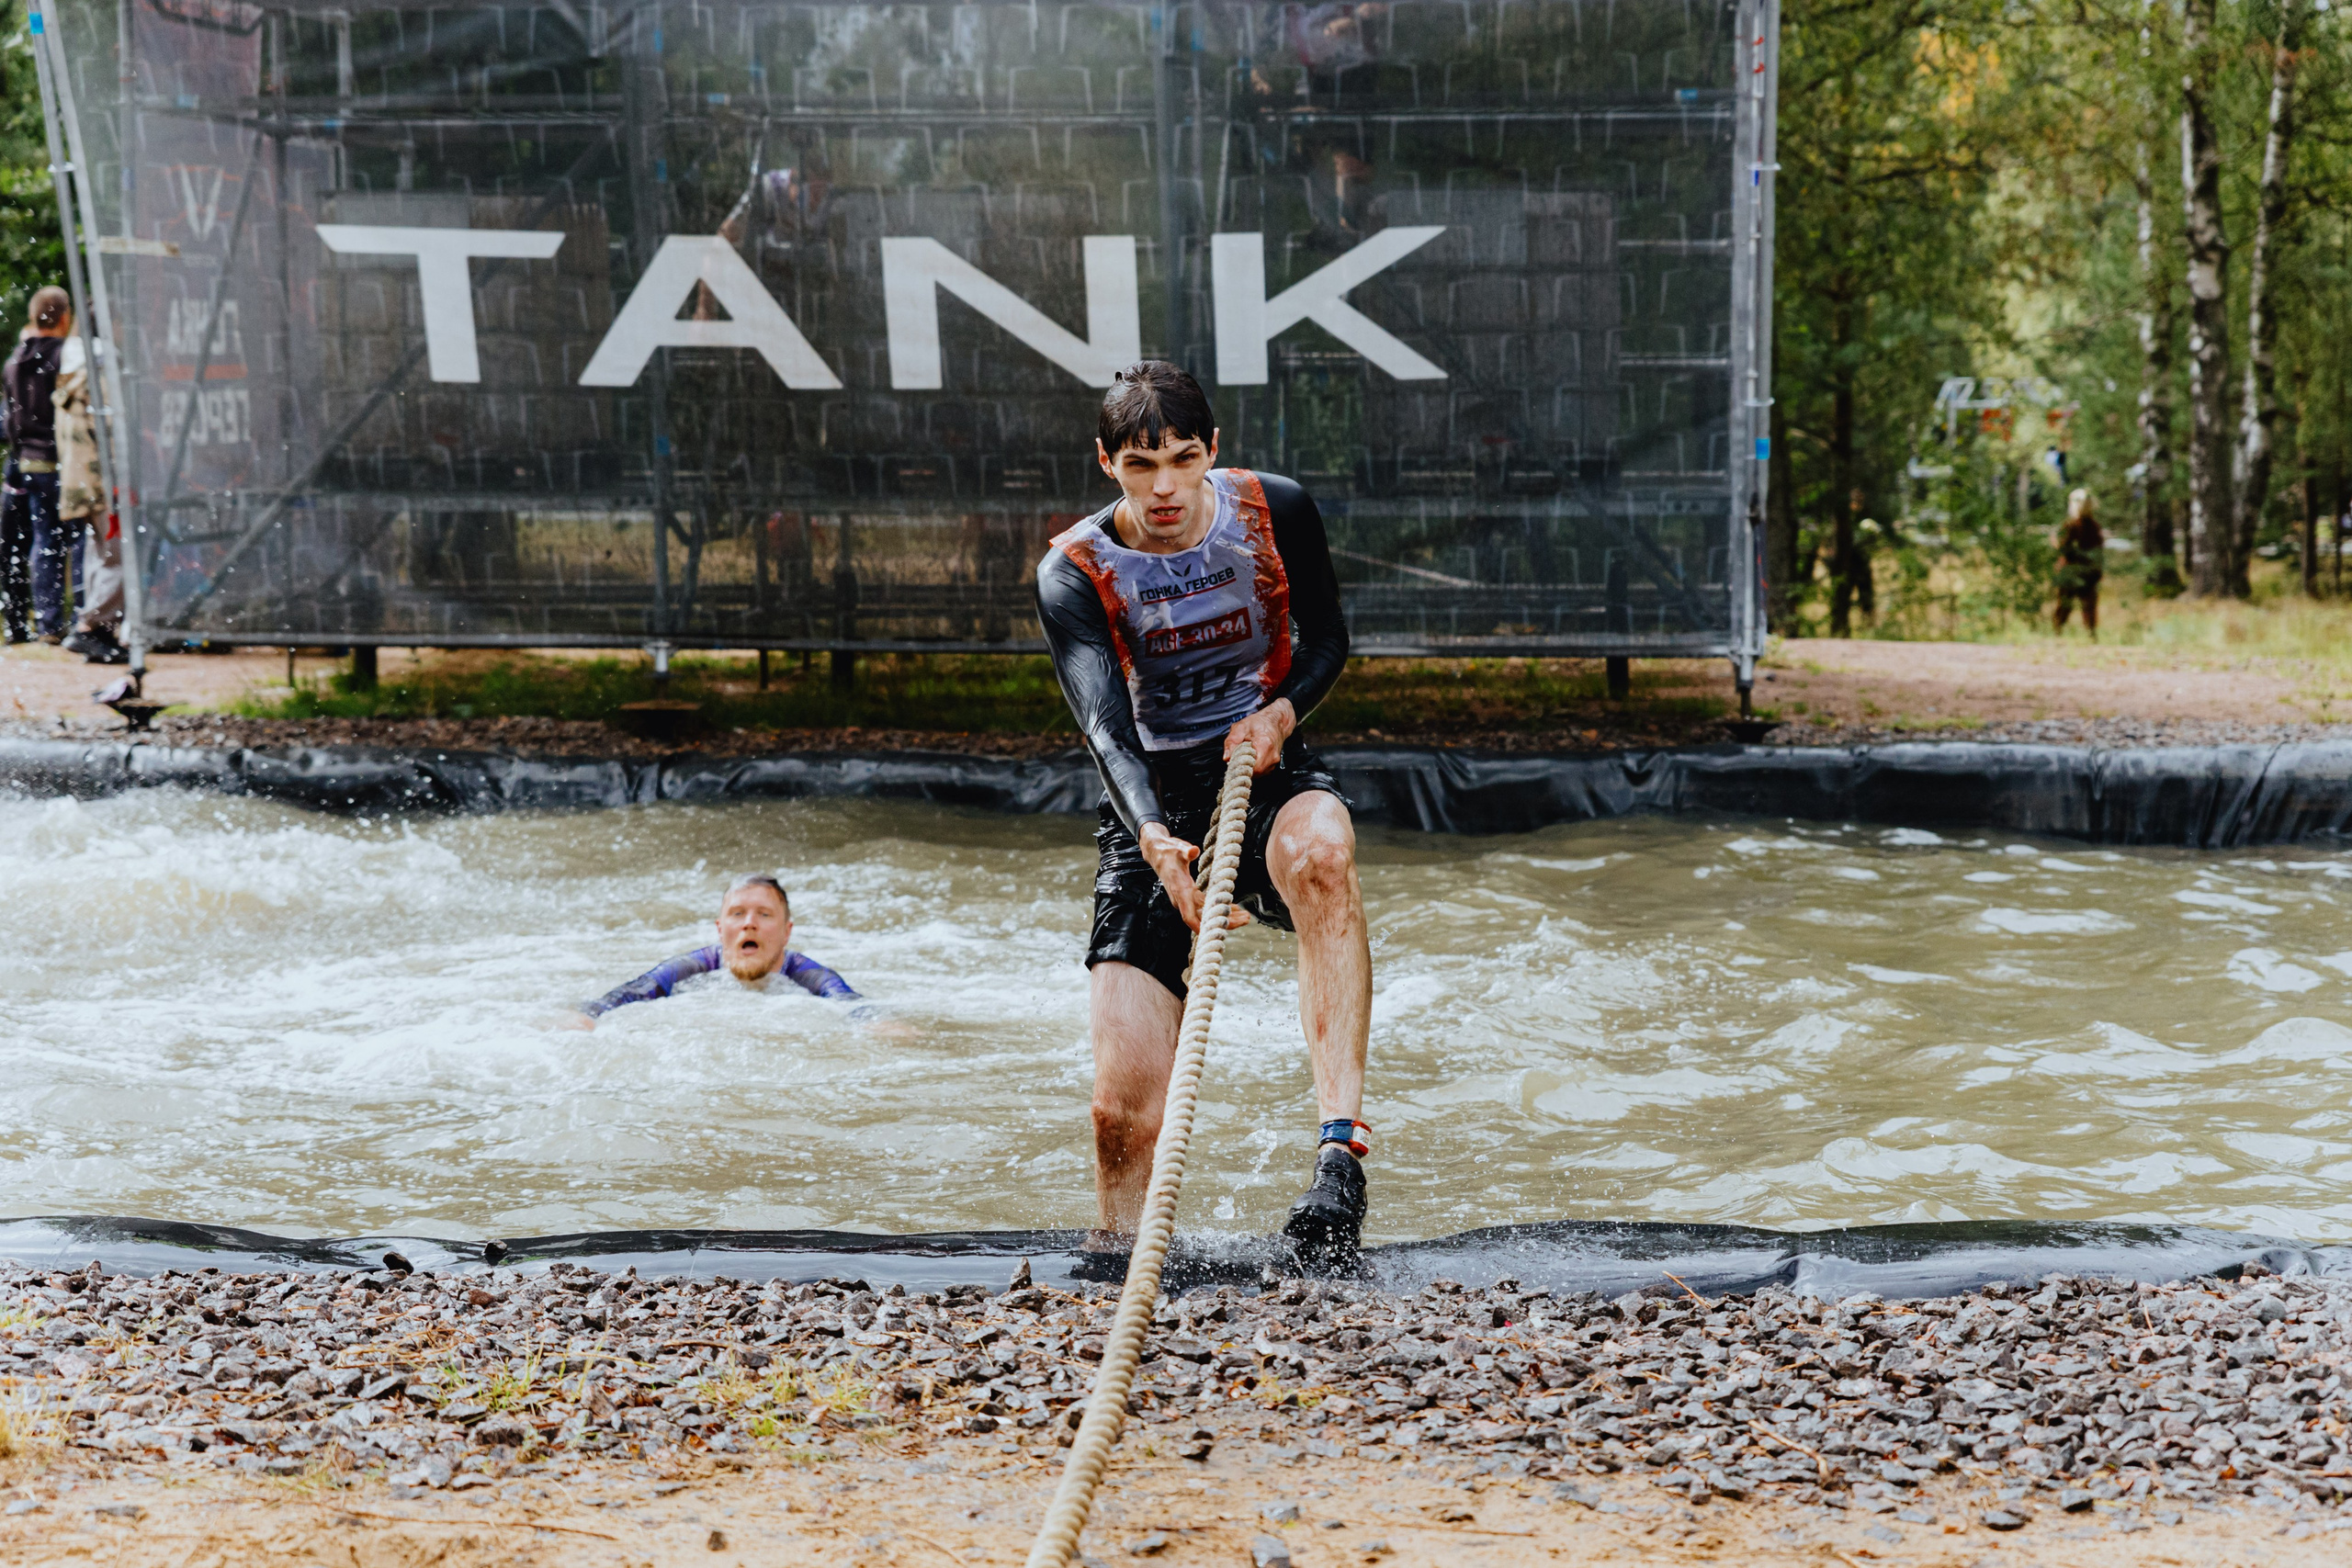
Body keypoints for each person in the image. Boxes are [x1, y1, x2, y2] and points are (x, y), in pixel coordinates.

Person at [1035, 359, 1372, 1267]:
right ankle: (1121, 1260)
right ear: (1107, 463)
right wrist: (1153, 840)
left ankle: (1339, 1153)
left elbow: (1329, 640)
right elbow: (1105, 731)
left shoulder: (1274, 508)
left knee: (1321, 858)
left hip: (1264, 765)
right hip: (1146, 801)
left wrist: (1281, 713)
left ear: (1211, 452)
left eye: (1183, 460)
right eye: (1142, 467)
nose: (1166, 487)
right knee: (1120, 1110)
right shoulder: (1073, 571)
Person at [564, 874, 877, 1028]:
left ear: (786, 933)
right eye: (737, 914)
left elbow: (850, 1004)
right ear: (720, 929)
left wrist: (877, 1024)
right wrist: (585, 1016)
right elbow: (630, 993)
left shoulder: (807, 975)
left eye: (764, 915)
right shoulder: (694, 968)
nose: (749, 924)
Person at [1, 288, 73, 645]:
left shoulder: (14, 362)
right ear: (64, 317)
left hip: (29, 461)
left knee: (45, 541)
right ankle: (87, 621)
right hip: (65, 461)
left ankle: (49, 624)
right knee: (81, 541)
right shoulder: (66, 356)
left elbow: (10, 420)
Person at [55, 333, 125, 663]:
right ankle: (91, 627)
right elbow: (113, 434)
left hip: (80, 480)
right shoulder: (97, 381)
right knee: (118, 555)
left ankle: (97, 629)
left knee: (100, 553)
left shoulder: (72, 377)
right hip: (102, 480)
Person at [2054, 487, 2103, 637]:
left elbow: (2065, 549)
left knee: (2067, 605)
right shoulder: (2094, 527)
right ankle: (2090, 634)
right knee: (2087, 606)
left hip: (2073, 571)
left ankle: (2059, 632)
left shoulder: (2072, 526)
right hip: (2088, 571)